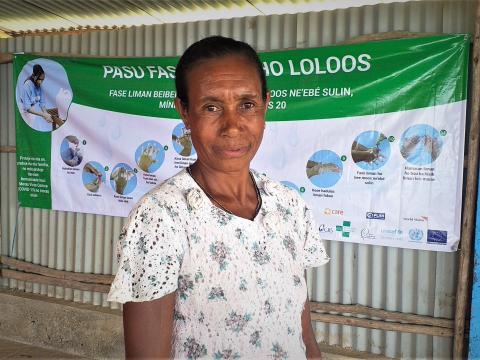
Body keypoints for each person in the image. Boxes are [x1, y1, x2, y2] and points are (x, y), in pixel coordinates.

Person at [107, 36, 330, 359]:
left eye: (247, 105)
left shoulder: (289, 206)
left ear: (265, 104)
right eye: (211, 107)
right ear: (184, 111)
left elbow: (301, 332)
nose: (232, 126)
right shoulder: (162, 217)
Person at [20, 64, 54, 131]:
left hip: (31, 111)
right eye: (39, 79)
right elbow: (28, 108)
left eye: (42, 80)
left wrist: (46, 114)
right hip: (23, 112)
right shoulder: (27, 86)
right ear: (33, 76)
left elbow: (42, 103)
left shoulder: (39, 86)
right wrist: (43, 115)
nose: (41, 82)